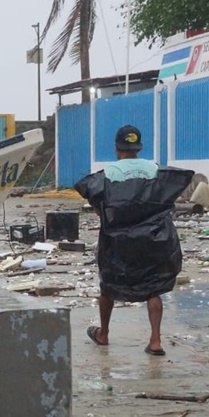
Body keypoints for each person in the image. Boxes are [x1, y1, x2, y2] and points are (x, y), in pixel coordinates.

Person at [75, 125, 193, 357]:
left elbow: (92, 196)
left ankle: (104, 333)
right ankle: (156, 340)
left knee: (108, 287)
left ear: (117, 149)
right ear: (138, 148)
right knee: (153, 288)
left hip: (118, 243)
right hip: (155, 240)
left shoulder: (107, 175)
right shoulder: (157, 171)